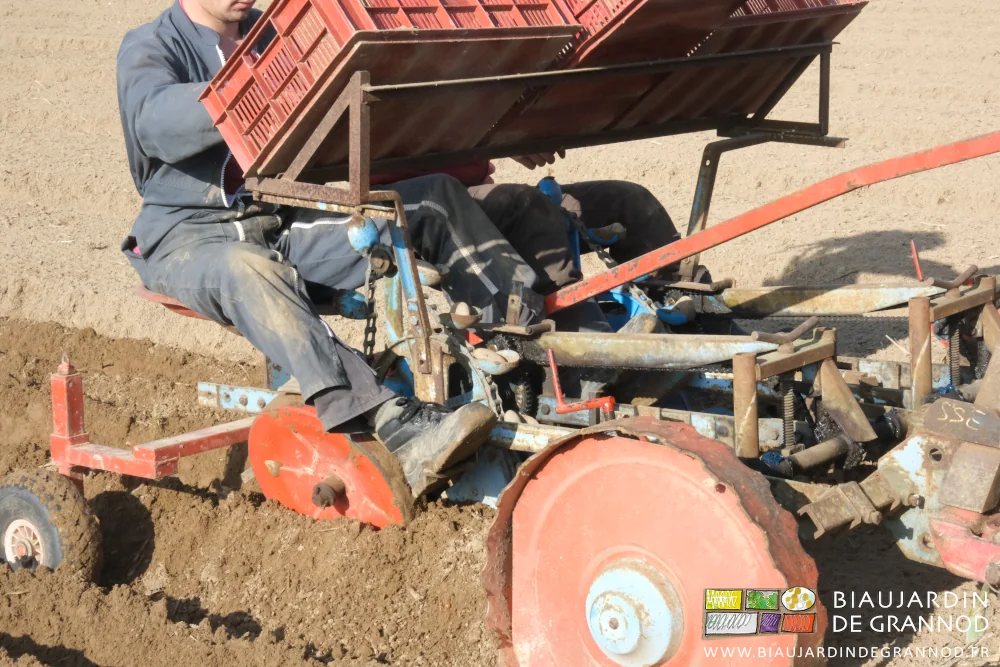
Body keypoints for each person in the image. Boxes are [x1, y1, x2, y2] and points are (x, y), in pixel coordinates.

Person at [115, 0, 550, 497]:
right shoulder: (150, 46)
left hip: (280, 220)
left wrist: (494, 124)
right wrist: (257, 84)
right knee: (251, 269)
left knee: (433, 199)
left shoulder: (270, 33)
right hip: (190, 236)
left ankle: (527, 356)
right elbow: (155, 124)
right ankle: (389, 420)